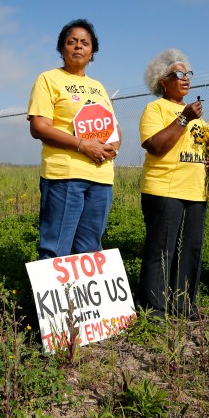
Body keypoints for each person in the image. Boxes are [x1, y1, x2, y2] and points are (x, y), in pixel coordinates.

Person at [28, 18, 121, 259]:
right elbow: (39, 127)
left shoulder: (98, 87)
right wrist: (82, 145)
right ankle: (53, 297)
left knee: (90, 248)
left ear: (92, 52)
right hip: (65, 175)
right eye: (72, 42)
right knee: (55, 247)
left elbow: (114, 128)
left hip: (100, 177)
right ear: (62, 48)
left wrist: (113, 148)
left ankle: (78, 298)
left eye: (85, 43)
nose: (78, 46)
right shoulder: (48, 79)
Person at [138, 48, 209, 320]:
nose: (186, 79)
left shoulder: (199, 120)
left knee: (190, 250)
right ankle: (155, 308)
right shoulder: (155, 109)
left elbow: (204, 152)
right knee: (162, 249)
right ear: (163, 80)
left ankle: (183, 302)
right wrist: (183, 118)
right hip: (164, 189)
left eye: (188, 74)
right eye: (179, 74)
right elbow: (156, 146)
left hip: (196, 191)